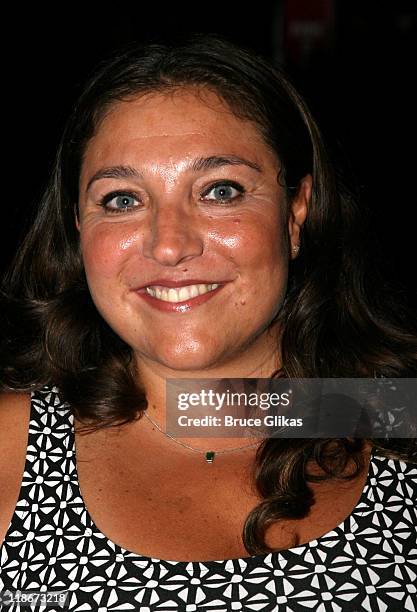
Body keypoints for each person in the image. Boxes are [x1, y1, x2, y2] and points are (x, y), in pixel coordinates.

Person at [0, 32, 416, 611]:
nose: (168, 246)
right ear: (77, 226)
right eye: (122, 199)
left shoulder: (397, 425)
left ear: (296, 211)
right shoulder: (11, 449)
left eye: (220, 190)